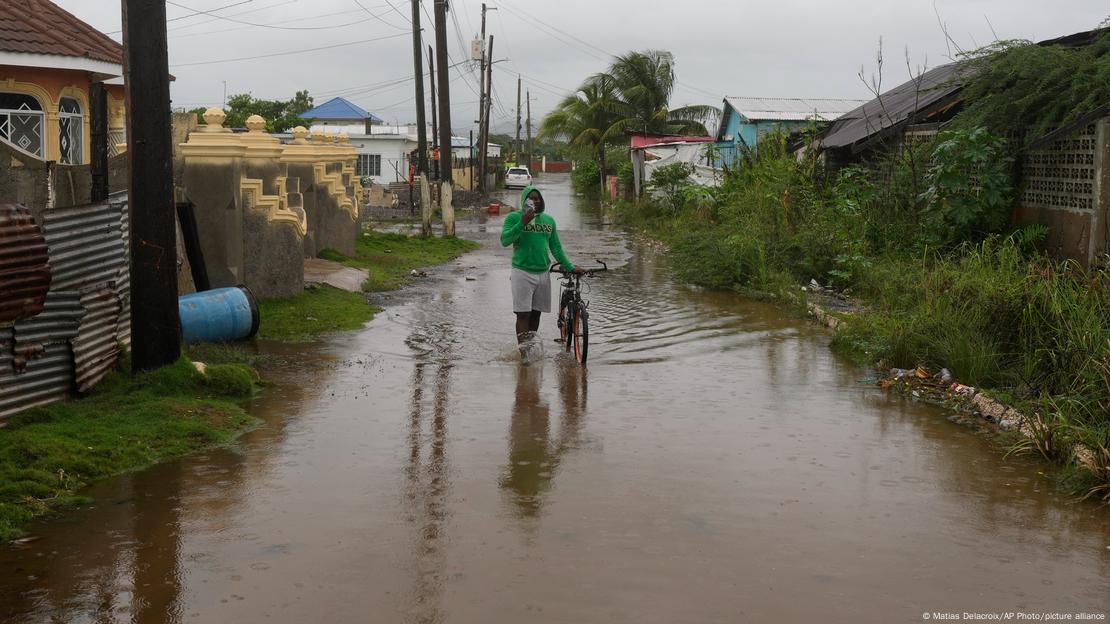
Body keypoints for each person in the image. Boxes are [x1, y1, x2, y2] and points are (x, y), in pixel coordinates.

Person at [500, 185, 584, 345]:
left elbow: (556, 248)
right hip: (522, 272)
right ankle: (524, 354)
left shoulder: (548, 221)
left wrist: (570, 266)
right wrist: (522, 223)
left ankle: (530, 346)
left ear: (541, 201)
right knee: (523, 314)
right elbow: (505, 240)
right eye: (530, 198)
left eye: (537, 198)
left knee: (536, 314)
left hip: (543, 273)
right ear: (524, 200)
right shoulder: (513, 218)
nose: (534, 201)